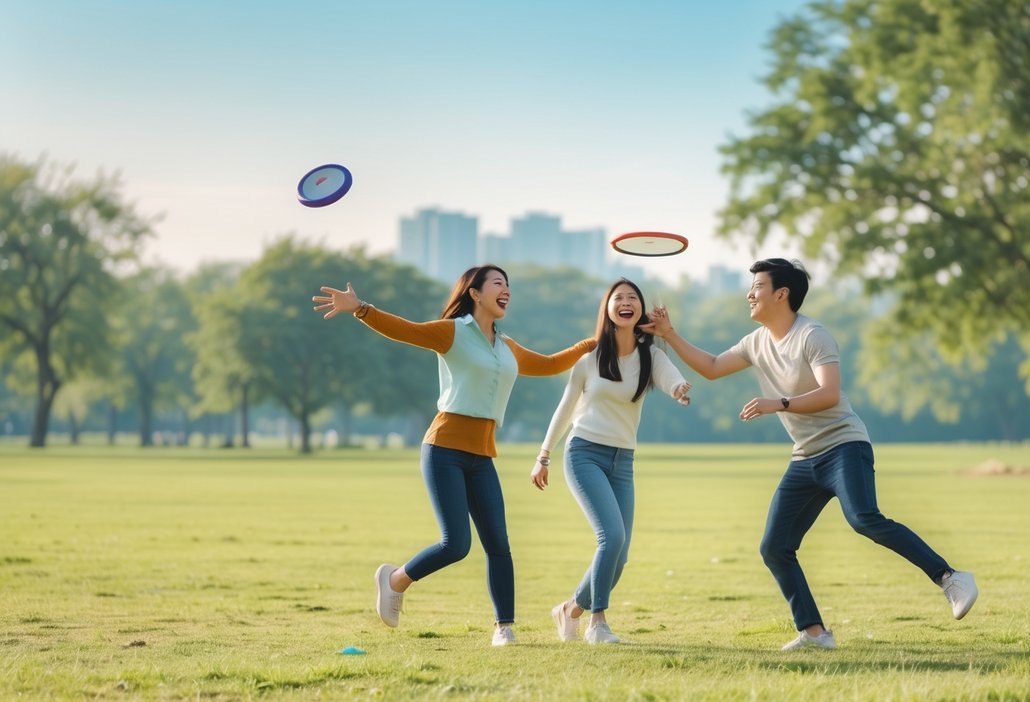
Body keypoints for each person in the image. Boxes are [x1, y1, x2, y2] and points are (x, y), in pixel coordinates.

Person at [640, 257, 978, 651]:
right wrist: (670, 333)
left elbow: (829, 393)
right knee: (775, 547)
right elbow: (713, 367)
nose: (749, 295)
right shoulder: (756, 342)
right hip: (806, 458)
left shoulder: (813, 335)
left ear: (781, 294)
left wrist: (778, 403)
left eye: (758, 287)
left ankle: (951, 578)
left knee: (864, 518)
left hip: (844, 445)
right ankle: (814, 633)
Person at [312, 265, 595, 646]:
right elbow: (404, 329)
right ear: (475, 294)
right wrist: (361, 307)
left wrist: (592, 344)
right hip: (444, 449)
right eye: (498, 284)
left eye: (508, 285)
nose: (506, 290)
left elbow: (547, 365)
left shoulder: (507, 347)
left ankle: (504, 628)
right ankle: (395, 580)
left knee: (499, 543)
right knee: (457, 544)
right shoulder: (453, 333)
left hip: (482, 455)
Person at [530, 279, 691, 645]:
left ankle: (570, 609)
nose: (626, 302)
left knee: (621, 555)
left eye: (633, 298)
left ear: (640, 311)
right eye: (619, 298)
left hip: (624, 461)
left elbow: (671, 379)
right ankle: (596, 623)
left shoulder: (652, 356)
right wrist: (544, 456)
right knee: (611, 537)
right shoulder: (588, 361)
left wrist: (680, 390)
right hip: (584, 453)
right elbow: (565, 409)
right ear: (607, 309)